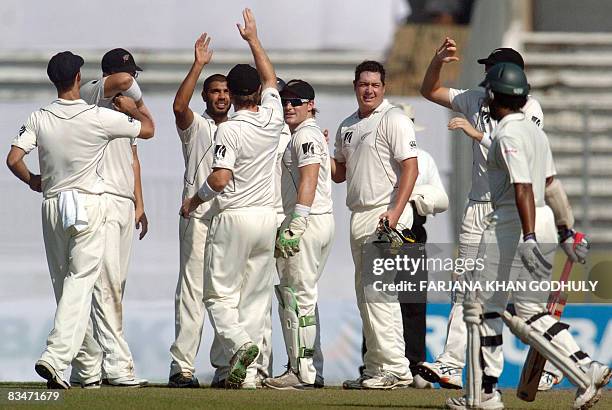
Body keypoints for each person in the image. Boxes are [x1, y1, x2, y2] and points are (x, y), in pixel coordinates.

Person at [447, 62, 609, 410]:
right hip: (543, 221)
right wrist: (566, 230)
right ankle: (586, 368)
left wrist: (530, 236)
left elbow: (523, 187)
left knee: (479, 306)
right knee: (530, 313)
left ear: (493, 94)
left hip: (513, 226)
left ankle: (483, 395)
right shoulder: (536, 132)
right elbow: (552, 185)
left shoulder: (507, 134)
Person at [417, 39, 576, 391]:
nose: (485, 75)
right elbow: (429, 90)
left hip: (513, 210)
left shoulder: (529, 108)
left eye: (492, 69)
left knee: (518, 302)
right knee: (467, 290)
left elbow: (516, 157)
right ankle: (452, 364)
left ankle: (559, 360)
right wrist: (437, 60)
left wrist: (475, 133)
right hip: (478, 208)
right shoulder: (474, 97)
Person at [6, 51, 153, 389]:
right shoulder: (97, 116)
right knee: (81, 282)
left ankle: (86, 370)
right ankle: (57, 357)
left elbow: (13, 158)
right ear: (77, 78)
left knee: (66, 284)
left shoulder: (39, 116)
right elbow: (147, 130)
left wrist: (32, 179)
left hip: (53, 204)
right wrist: (134, 110)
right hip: (88, 204)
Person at [180, 8, 284, 389]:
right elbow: (272, 76)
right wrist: (254, 39)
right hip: (266, 219)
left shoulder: (230, 130)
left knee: (217, 296)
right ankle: (250, 378)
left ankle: (240, 346)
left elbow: (221, 179)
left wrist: (194, 200)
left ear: (234, 96)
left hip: (234, 216)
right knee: (254, 299)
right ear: (257, 92)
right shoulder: (273, 116)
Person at [332, 60, 419, 389]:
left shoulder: (393, 118)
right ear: (355, 86)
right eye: (363, 84)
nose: (369, 89)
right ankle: (375, 367)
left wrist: (395, 213)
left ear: (383, 88)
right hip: (359, 215)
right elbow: (341, 173)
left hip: (388, 214)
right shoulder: (348, 125)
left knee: (378, 291)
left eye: (375, 85)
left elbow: (410, 169)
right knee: (366, 295)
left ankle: (395, 368)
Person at [73, 47, 153, 388]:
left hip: (123, 202)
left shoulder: (123, 112)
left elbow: (136, 152)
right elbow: (122, 80)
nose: (132, 79)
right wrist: (135, 104)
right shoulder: (93, 92)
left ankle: (88, 368)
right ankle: (117, 367)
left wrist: (140, 202)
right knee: (103, 285)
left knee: (112, 285)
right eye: (130, 74)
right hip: (101, 198)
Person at [167, 33, 231, 388]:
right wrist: (198, 66)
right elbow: (178, 108)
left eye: (226, 92)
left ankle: (224, 368)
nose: (221, 96)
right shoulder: (197, 126)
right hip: (197, 214)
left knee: (224, 292)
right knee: (191, 289)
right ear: (206, 96)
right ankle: (183, 367)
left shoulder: (241, 127)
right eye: (215, 91)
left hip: (230, 218)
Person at [263, 79, 334, 390]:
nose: (289, 106)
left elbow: (309, 176)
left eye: (296, 101)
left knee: (296, 297)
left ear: (311, 105)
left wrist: (297, 222)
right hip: (318, 220)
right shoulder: (307, 134)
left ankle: (302, 372)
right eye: (285, 101)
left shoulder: (305, 135)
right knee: (299, 295)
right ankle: (306, 368)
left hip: (307, 222)